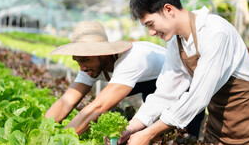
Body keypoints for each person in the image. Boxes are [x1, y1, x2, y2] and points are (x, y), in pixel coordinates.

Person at [119, 0, 249, 145]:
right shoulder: (176, 42)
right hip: (219, 129)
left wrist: (149, 133)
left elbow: (198, 96)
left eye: (151, 24)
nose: (151, 32)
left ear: (168, 9)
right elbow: (166, 92)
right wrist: (134, 125)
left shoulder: (215, 31)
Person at [45, 20, 205, 136]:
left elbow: (98, 107)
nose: (82, 67)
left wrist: (62, 140)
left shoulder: (132, 59)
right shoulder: (91, 65)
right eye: (77, 61)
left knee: (183, 138)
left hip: (186, 88)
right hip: (154, 91)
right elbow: (66, 101)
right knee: (151, 134)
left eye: (85, 60)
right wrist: (41, 130)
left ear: (102, 53)